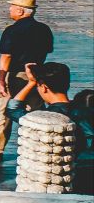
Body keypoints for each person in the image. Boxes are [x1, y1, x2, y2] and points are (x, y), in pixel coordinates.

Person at [13, 62, 94, 194]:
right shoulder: (83, 110)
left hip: (64, 175)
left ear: (43, 87)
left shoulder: (47, 117)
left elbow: (13, 109)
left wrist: (31, 83)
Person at [0, 0, 54, 159]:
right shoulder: (44, 29)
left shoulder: (12, 31)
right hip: (36, 75)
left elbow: (6, 56)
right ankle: (37, 147)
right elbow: (46, 51)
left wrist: (1, 79)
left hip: (14, 75)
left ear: (20, 10)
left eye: (12, 7)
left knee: (4, 115)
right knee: (35, 112)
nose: (10, 10)